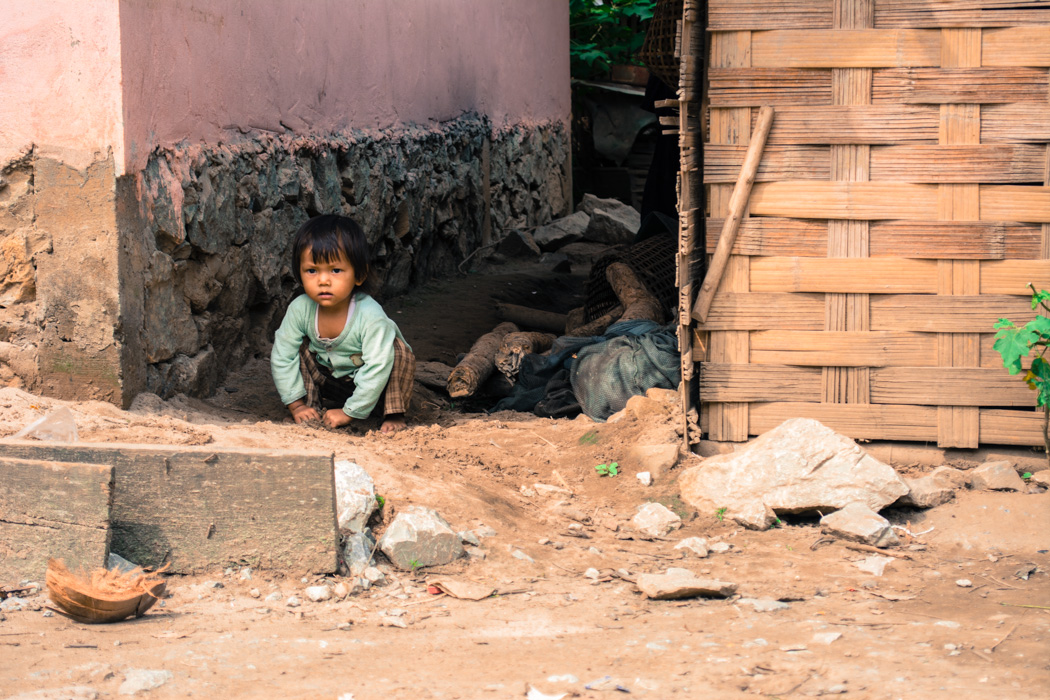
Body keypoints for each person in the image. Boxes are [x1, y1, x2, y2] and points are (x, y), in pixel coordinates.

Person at [270, 214, 414, 434]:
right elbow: (282, 356)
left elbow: (377, 366)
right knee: (295, 347)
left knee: (397, 351)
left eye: (336, 270)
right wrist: (295, 404)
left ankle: (393, 413)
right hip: (330, 380)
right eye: (312, 270)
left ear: (359, 275)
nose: (323, 280)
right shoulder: (300, 309)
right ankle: (308, 407)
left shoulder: (370, 315)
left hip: (376, 382)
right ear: (299, 273)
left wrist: (349, 412)